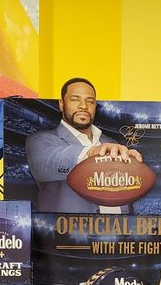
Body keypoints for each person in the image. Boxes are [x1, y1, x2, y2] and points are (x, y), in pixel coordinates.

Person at [25, 77, 142, 213]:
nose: (83, 106)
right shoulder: (40, 139)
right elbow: (43, 166)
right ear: (61, 104)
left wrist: (132, 167)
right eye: (75, 99)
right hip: (68, 227)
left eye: (90, 101)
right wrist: (92, 153)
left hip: (116, 226)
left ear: (95, 106)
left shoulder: (111, 143)